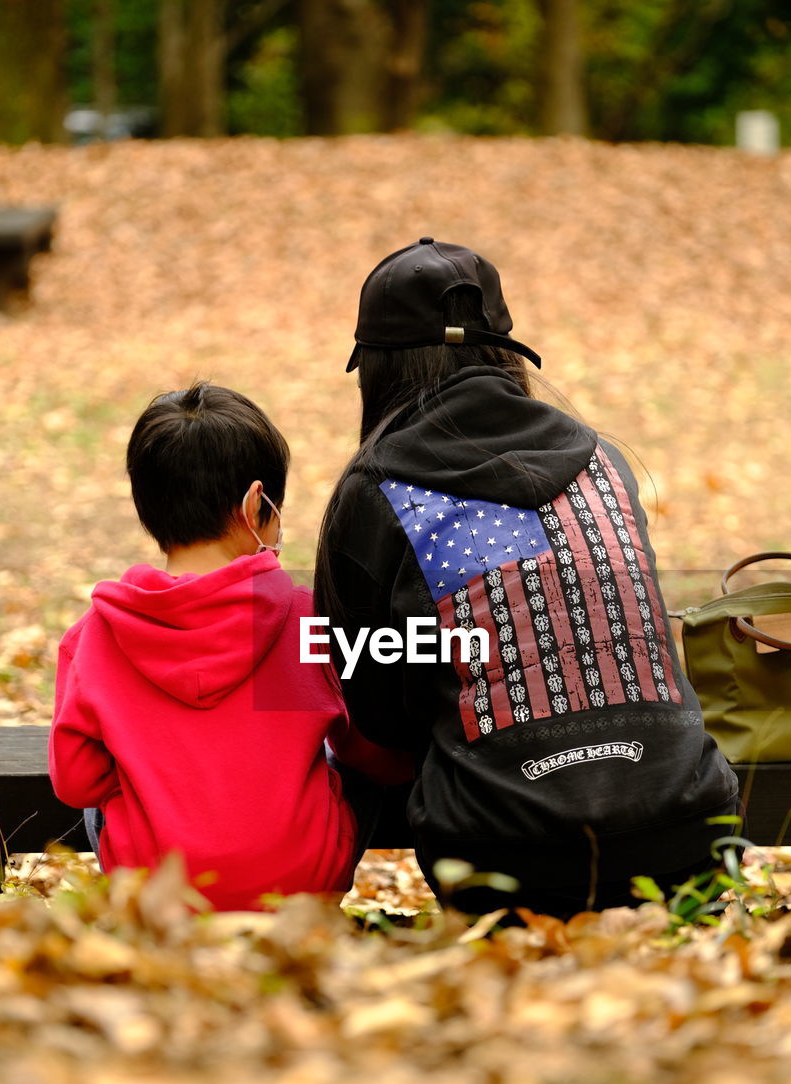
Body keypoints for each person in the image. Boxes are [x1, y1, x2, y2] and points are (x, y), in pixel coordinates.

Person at [314, 237, 741, 919]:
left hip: (510, 864)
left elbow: (376, 720)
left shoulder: (376, 493)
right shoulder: (604, 461)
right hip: (690, 842)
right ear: (504, 347)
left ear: (377, 369)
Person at [50, 382, 407, 911]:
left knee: (110, 798)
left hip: (159, 893)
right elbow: (370, 752)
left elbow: (78, 782)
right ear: (256, 502)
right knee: (343, 756)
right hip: (296, 891)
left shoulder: (94, 636)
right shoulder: (309, 619)